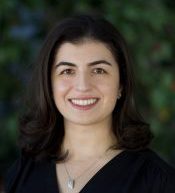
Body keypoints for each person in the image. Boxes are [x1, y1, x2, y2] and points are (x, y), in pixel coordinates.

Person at [5, 14, 175, 193]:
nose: (82, 86)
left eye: (99, 70)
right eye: (68, 71)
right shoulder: (23, 172)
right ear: (49, 84)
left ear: (121, 84)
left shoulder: (159, 182)